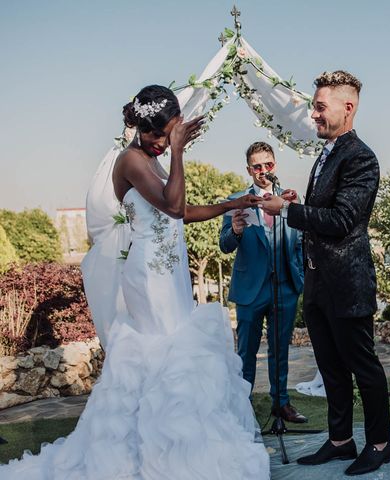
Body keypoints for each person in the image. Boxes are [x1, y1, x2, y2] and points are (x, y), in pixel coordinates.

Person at [0, 85, 270, 479]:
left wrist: (232, 204)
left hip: (171, 270)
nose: (163, 142)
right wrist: (177, 151)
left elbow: (180, 213)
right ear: (140, 129)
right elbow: (174, 205)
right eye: (158, 135)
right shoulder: (131, 160)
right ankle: (152, 457)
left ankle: (177, 446)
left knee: (173, 359)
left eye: (170, 132)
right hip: (148, 276)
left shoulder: (153, 160)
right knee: (163, 356)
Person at [261, 70, 390, 476]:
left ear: (347, 107)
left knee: (362, 366)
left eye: (320, 107)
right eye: (313, 107)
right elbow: (325, 207)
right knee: (331, 368)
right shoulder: (328, 152)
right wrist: (298, 202)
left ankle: (380, 444)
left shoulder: (361, 157)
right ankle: (340, 441)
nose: (313, 115)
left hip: (347, 282)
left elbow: (342, 218)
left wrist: (287, 211)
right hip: (317, 282)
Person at [219, 141, 307, 424]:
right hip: (250, 290)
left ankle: (281, 403)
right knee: (246, 352)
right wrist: (234, 229)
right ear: (249, 170)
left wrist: (299, 279)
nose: (263, 170)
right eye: (257, 166)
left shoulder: (290, 199)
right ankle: (242, 408)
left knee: (281, 351)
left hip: (285, 287)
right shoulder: (237, 200)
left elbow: (301, 242)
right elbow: (225, 245)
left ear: (274, 166)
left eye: (268, 165)